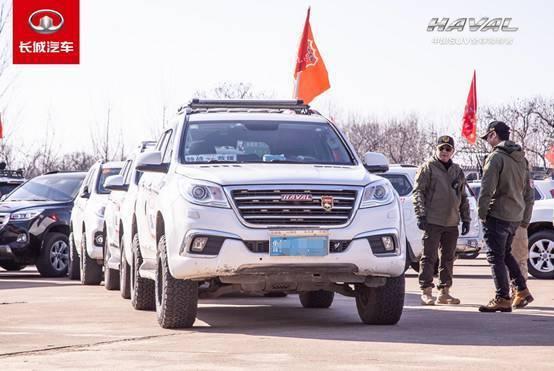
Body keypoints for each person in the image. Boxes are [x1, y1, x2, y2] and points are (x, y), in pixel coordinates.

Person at [477, 121, 534, 313]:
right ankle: (522, 289)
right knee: (506, 254)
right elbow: (528, 192)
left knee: (495, 256)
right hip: (515, 216)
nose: (488, 142)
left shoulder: (496, 158)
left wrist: (482, 213)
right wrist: (524, 218)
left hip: (498, 214)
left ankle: (502, 297)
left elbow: (486, 188)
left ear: (493, 134)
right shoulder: (521, 159)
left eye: (488, 138)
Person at [413, 135, 471, 305]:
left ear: (452, 151)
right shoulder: (428, 168)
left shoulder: (457, 171)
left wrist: (466, 218)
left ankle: (444, 291)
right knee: (429, 256)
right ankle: (426, 290)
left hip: (451, 222)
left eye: (448, 149)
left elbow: (463, 196)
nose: (444, 152)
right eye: (441, 148)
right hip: (433, 220)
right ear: (436, 149)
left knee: (448, 258)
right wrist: (421, 215)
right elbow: (418, 193)